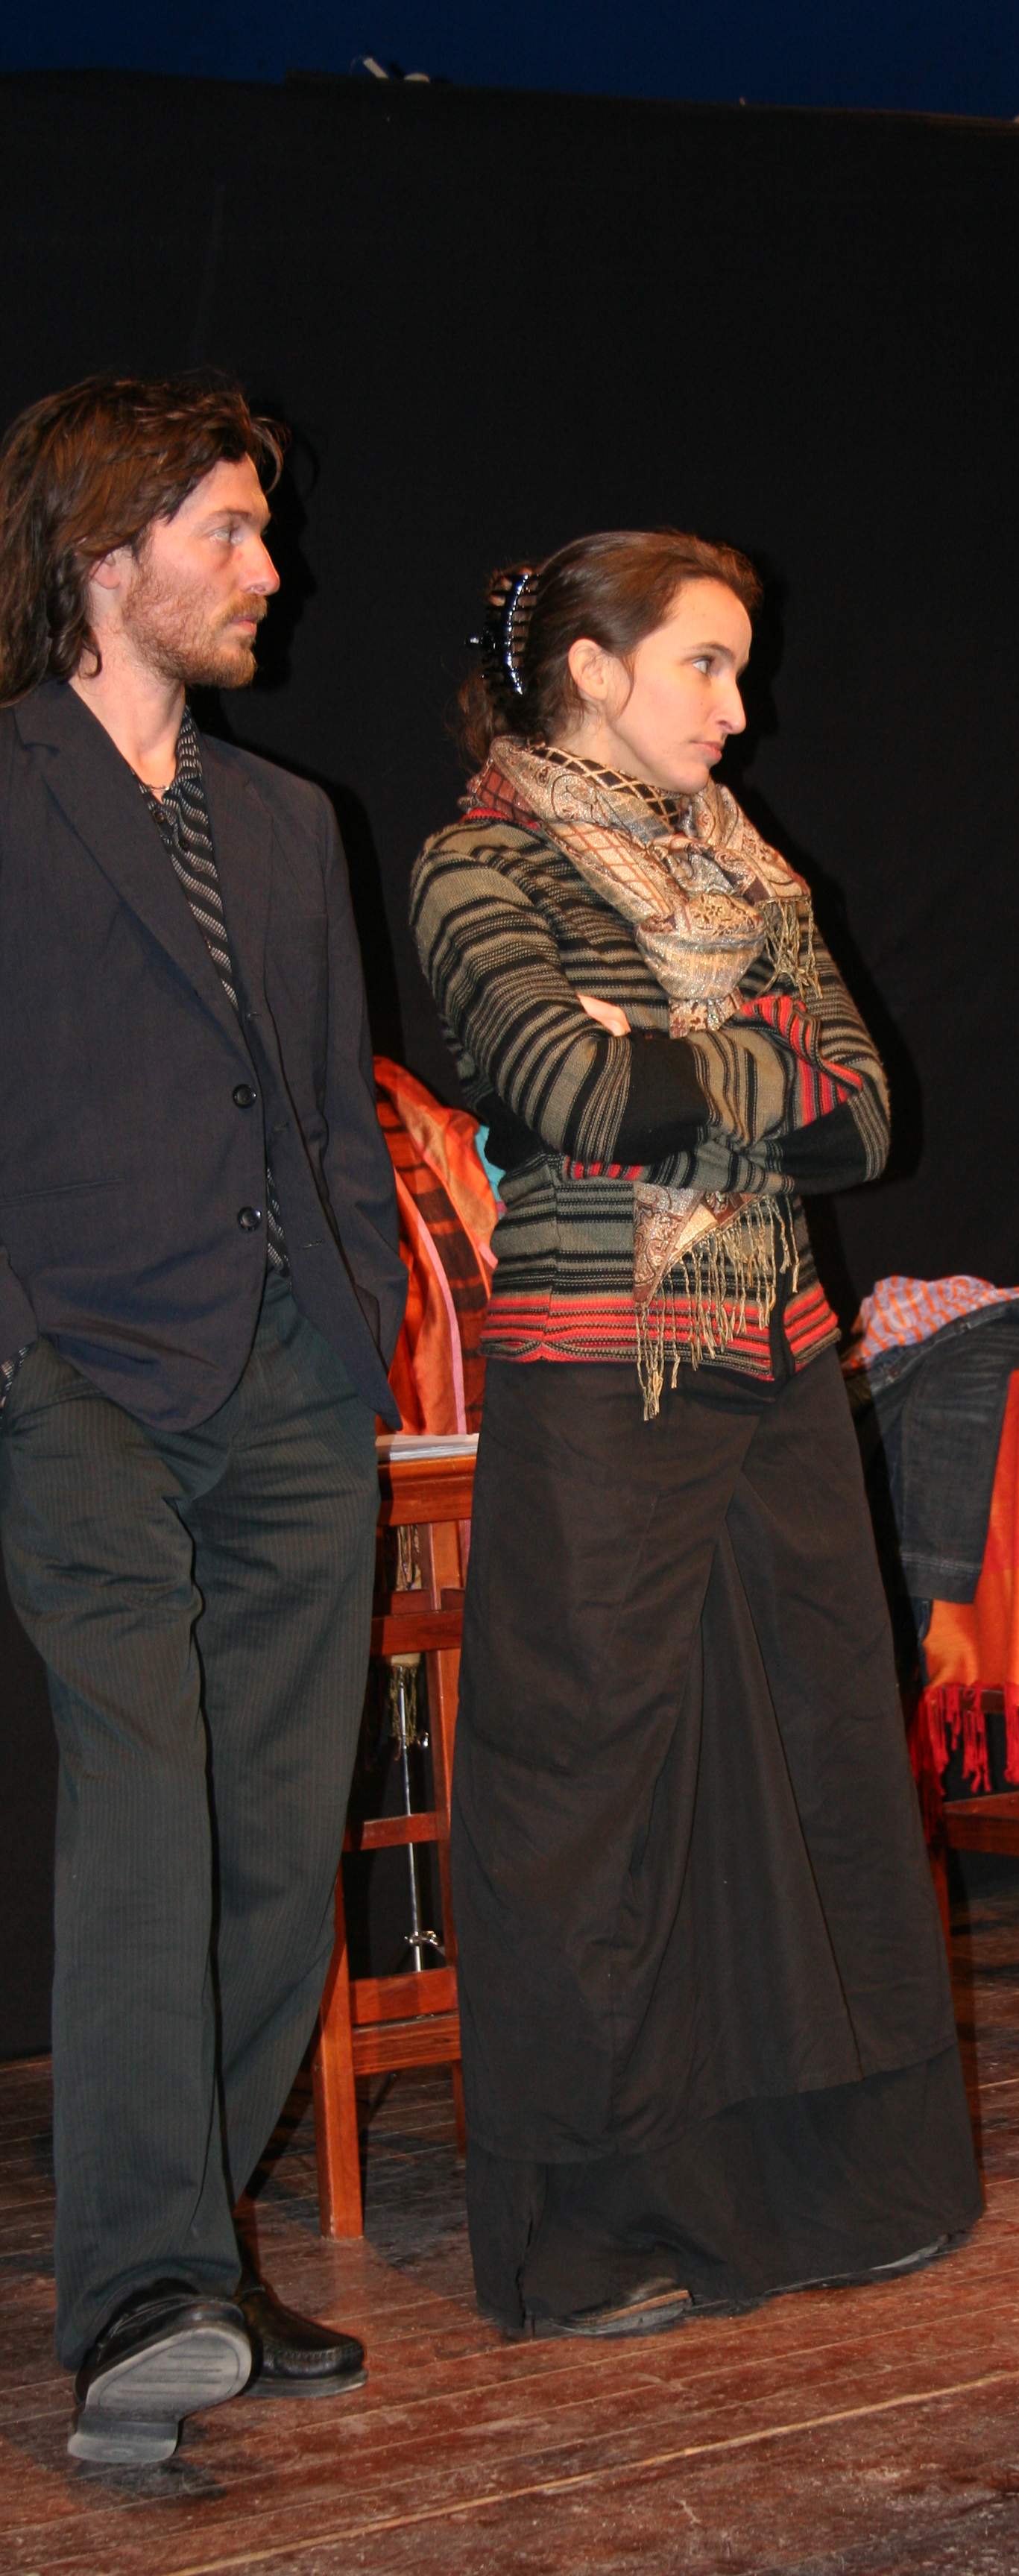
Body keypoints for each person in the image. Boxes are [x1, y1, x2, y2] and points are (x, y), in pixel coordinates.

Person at [409, 530, 980, 2337]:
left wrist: (684, 1068)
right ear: (591, 669)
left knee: (815, 1760)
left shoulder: (756, 865)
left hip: (779, 1358)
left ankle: (832, 2182)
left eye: (740, 669)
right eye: (707, 667)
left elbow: (868, 1115)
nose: (744, 709)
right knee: (595, 1792)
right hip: (601, 1378)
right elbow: (564, 1082)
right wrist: (753, 1070)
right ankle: (595, 2226)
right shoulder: (472, 860)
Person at [0, 377, 406, 2461]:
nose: (272, 572)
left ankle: (200, 2256)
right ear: (106, 547)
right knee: (148, 1796)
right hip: (72, 1365)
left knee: (274, 1821)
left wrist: (358, 1327)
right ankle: (142, 2283)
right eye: (233, 533)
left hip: (286, 1374)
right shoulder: (3, 792)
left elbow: (333, 1107)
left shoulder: (286, 820)